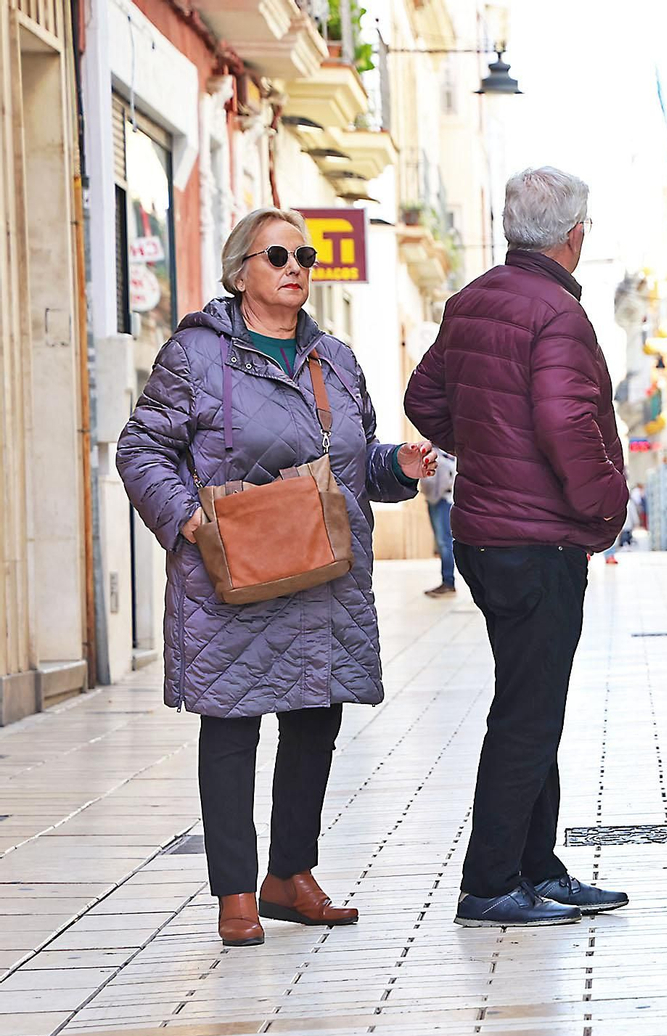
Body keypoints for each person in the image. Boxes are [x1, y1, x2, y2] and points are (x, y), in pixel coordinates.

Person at [117, 208, 434, 947]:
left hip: (321, 575)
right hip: (234, 578)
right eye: (277, 254)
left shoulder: (336, 359)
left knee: (315, 719)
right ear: (240, 272)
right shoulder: (196, 356)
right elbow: (141, 450)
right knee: (232, 726)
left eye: (306, 254)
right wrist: (190, 522)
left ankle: (290, 874)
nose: (296, 266)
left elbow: (351, 462)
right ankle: (235, 890)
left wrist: (397, 466)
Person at [405, 166, 630, 928]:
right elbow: (568, 425)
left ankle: (538, 866)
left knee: (531, 703)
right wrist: (606, 505)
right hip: (538, 540)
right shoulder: (557, 314)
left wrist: (486, 448)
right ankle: (490, 880)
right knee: (528, 714)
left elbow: (423, 399)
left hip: (485, 535)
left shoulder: (471, 301)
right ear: (573, 234)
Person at [421, 450, 458, 596]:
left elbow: (443, 482)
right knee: (442, 541)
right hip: (436, 501)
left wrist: (434, 498)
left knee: (444, 542)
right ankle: (447, 581)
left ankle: (448, 582)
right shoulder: (438, 454)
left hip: (441, 501)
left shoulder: (442, 456)